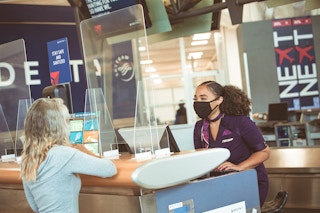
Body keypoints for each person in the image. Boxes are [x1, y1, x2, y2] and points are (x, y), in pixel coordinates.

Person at [20, 98, 117, 213]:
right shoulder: (63, 154)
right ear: (58, 126)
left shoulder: (26, 159)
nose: (69, 124)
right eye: (66, 120)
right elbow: (110, 169)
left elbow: (34, 206)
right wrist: (84, 151)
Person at [193, 81, 270, 206]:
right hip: (219, 183)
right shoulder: (199, 127)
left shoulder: (240, 122)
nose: (198, 103)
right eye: (195, 99)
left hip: (248, 182)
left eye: (203, 98)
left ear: (219, 100)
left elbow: (264, 152)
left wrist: (239, 167)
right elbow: (201, 156)